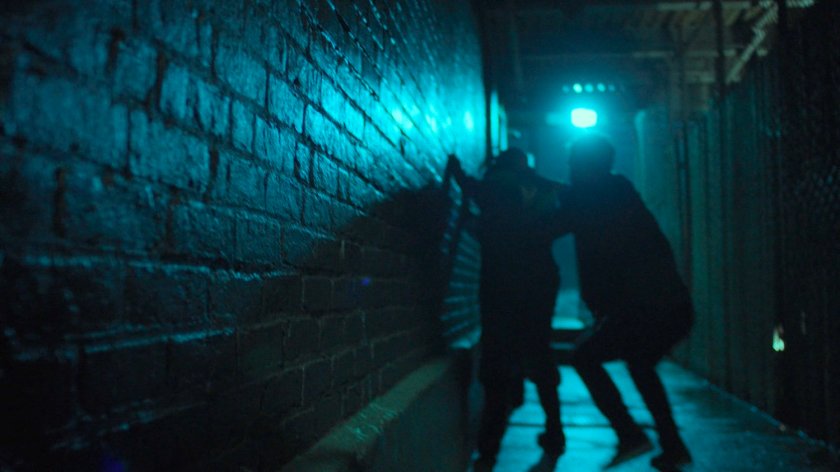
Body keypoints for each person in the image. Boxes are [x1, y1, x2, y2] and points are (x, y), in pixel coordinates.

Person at [547, 134, 693, 470]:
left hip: (648, 308)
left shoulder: (597, 197)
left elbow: (549, 225)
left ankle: (632, 436)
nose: (569, 170)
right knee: (639, 364)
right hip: (661, 307)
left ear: (587, 167)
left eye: (574, 164)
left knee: (587, 358)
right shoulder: (612, 192)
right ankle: (669, 446)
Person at [448, 149, 565, 468]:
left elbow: (473, 192)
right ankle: (554, 432)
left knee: (497, 362)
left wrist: (456, 171)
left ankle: (488, 452)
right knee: (540, 352)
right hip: (541, 279)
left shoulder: (496, 182)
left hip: (501, 281)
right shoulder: (542, 187)